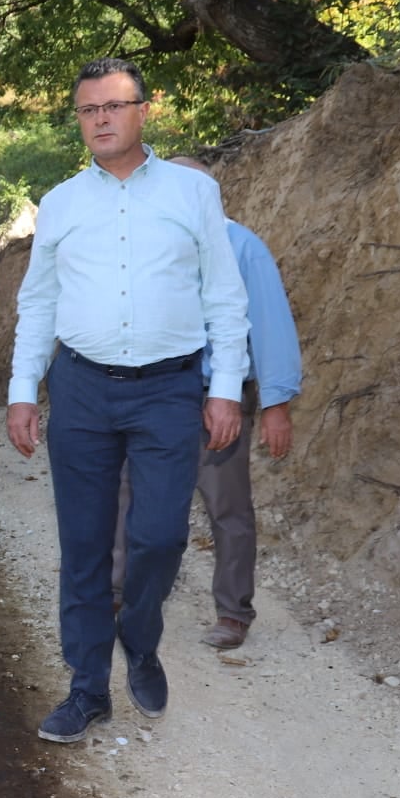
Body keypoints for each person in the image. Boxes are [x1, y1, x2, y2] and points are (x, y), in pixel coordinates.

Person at [6, 57, 250, 744]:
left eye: (114, 106)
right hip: (81, 388)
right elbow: (39, 303)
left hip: (170, 390)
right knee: (82, 548)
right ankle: (87, 689)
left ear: (145, 110)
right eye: (88, 110)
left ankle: (139, 640)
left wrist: (224, 387)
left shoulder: (191, 195)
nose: (101, 120)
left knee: (160, 536)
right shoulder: (60, 204)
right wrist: (24, 391)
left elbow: (223, 297)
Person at [111, 156, 302, 650]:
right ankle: (116, 594)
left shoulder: (242, 246)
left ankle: (234, 612)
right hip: (152, 395)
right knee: (128, 495)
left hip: (217, 396)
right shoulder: (154, 247)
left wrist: (276, 405)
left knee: (226, 506)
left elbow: (271, 325)